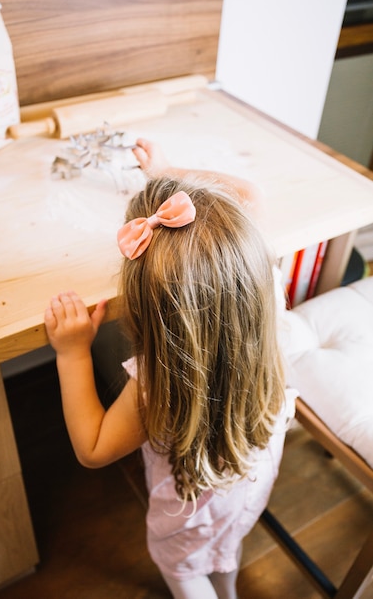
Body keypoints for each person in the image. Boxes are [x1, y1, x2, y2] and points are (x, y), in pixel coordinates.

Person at [44, 138, 296, 599]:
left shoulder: (157, 381)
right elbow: (252, 195)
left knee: (184, 570)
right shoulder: (265, 295)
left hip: (191, 510)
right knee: (226, 546)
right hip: (250, 481)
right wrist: (170, 172)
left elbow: (93, 448)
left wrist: (72, 351)